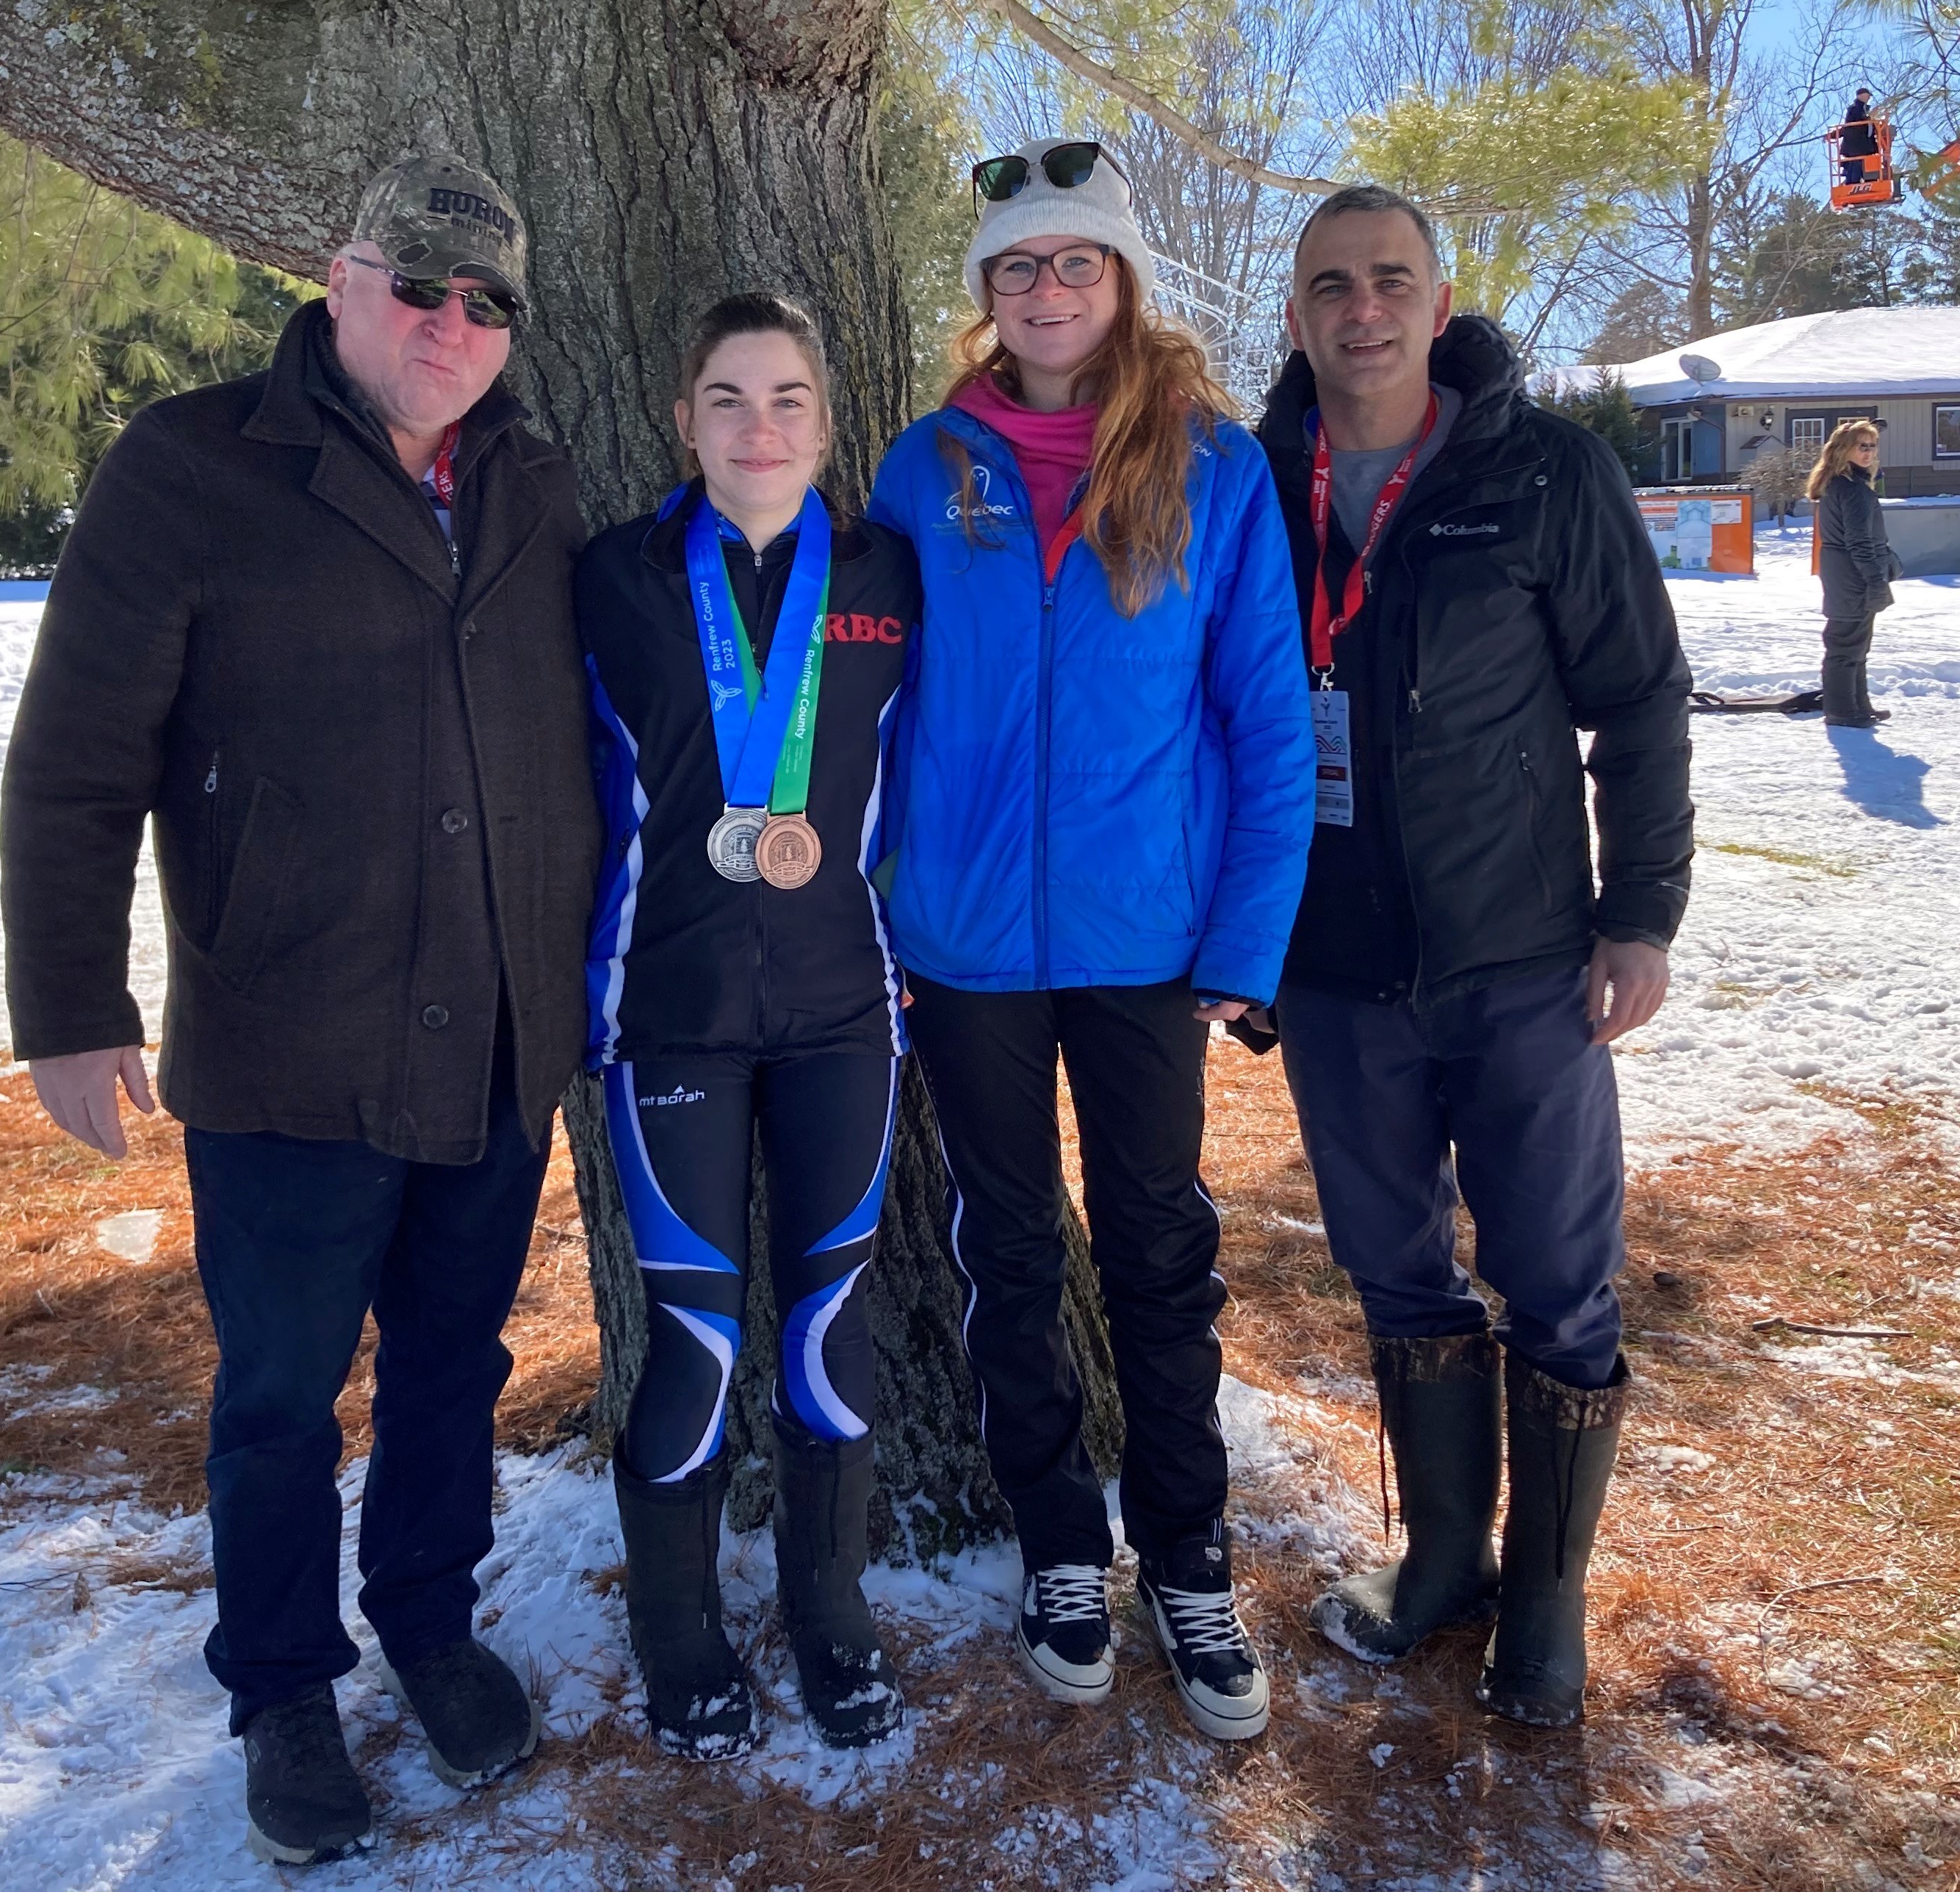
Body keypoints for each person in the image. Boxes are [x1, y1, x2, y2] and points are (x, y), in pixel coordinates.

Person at [0, 154, 600, 1864]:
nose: (452, 325)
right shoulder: (191, 466)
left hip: (492, 1034)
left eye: (488, 302)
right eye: (419, 287)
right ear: (337, 280)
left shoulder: (535, 484)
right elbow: (73, 758)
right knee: (275, 1390)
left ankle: (426, 1617)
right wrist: (67, 1000)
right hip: (285, 1032)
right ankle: (278, 1683)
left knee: (449, 1362)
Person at [866, 137, 1314, 1743]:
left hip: (1145, 943)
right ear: (983, 296)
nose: (1044, 289)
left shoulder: (1215, 468)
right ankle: (1061, 1546)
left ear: (1120, 281)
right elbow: (860, 701)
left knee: (1154, 1257)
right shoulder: (923, 469)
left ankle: (1186, 1559)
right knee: (1003, 1250)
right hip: (964, 942)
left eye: (1073, 262)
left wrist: (1244, 942)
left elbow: (1264, 724)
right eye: (1013, 267)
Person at [1249, 184, 1693, 1730]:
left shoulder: (1539, 471)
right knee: (1393, 1272)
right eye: (1327, 286)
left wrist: (1638, 914)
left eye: (1387, 281)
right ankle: (1441, 1557)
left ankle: (1546, 1601)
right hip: (1331, 968)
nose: (1357, 310)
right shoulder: (1252, 486)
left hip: (1520, 958)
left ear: (1437, 304)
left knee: (1557, 1285)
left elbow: (1635, 702)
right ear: (1292, 313)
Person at [575, 292, 920, 1758]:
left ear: (825, 425)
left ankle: (828, 1622)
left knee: (826, 1337)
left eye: (786, 399)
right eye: (726, 397)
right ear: (681, 419)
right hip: (673, 1015)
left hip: (849, 1008)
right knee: (695, 1347)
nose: (757, 427)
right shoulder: (613, 576)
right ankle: (680, 1634)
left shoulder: (893, 576)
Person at [1807, 419, 1896, 727]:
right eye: (1862, 446)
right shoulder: (1852, 489)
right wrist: (1875, 579)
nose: (1869, 453)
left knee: (1855, 643)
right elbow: (1859, 541)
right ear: (1844, 450)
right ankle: (1843, 710)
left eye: (1872, 447)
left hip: (1842, 571)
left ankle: (1858, 705)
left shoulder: (1840, 484)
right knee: (1846, 644)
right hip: (1852, 574)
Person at [1838, 89, 1880, 184]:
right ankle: (1852, 185)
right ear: (1861, 95)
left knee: (1866, 167)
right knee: (1855, 167)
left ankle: (1869, 182)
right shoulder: (1855, 108)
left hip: (1865, 147)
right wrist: (1870, 116)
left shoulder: (1864, 109)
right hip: (1857, 147)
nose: (1869, 98)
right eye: (1868, 95)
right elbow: (1857, 121)